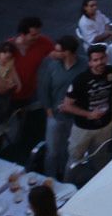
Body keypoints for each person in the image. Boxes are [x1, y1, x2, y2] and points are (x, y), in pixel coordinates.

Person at [62, 44, 112, 163]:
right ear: (90, 63)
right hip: (83, 128)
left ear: (106, 58)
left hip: (105, 125)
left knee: (101, 156)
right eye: (95, 60)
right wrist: (89, 114)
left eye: (102, 58)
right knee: (75, 158)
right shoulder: (81, 80)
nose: (100, 62)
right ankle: (69, 180)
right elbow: (67, 105)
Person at [36, 35, 86, 181]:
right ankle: (49, 178)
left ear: (68, 52)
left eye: (58, 51)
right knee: (52, 151)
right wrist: (49, 110)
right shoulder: (52, 65)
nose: (53, 53)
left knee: (68, 149)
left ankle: (64, 176)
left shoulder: (84, 65)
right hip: (55, 117)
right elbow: (43, 88)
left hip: (75, 117)